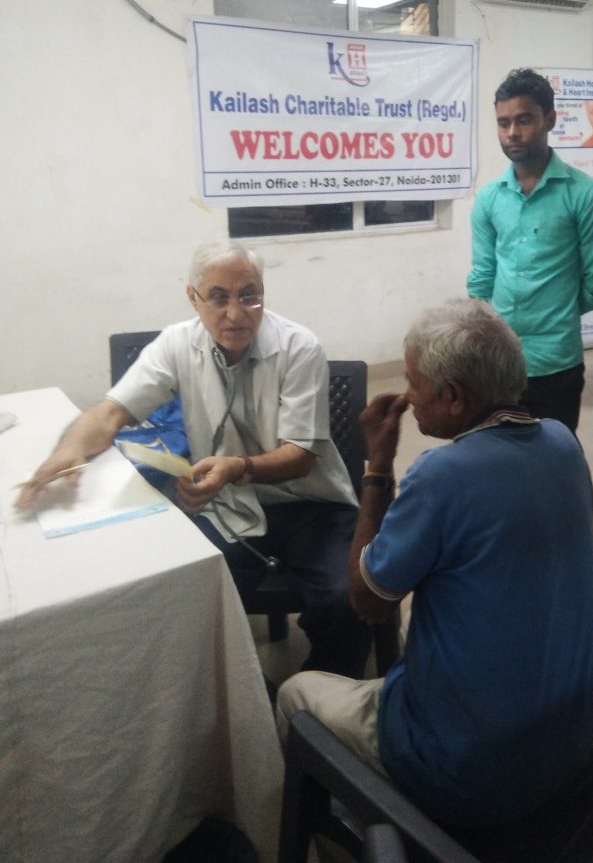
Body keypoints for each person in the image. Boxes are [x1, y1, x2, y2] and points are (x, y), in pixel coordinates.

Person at [277, 298, 593, 827]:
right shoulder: (563, 442)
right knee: (416, 641)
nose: (407, 395)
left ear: (453, 396)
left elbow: (368, 601)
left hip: (465, 772)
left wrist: (377, 466)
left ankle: (354, 835)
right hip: (570, 740)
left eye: (413, 381)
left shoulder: (440, 474)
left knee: (296, 693)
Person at [16, 239, 371, 679]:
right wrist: (69, 450)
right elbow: (109, 414)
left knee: (344, 600)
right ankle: (234, 698)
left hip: (310, 505)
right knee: (174, 589)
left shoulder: (298, 347)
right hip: (227, 504)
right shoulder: (177, 344)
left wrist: (235, 468)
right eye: (219, 297)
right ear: (193, 297)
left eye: (249, 295)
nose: (236, 313)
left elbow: (300, 458)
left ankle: (318, 699)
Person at [467, 68, 593, 433]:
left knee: (555, 454)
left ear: (549, 119)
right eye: (503, 123)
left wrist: (555, 314)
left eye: (524, 120)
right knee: (498, 454)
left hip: (557, 360)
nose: (512, 133)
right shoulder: (488, 198)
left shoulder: (586, 194)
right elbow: (482, 277)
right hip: (499, 361)